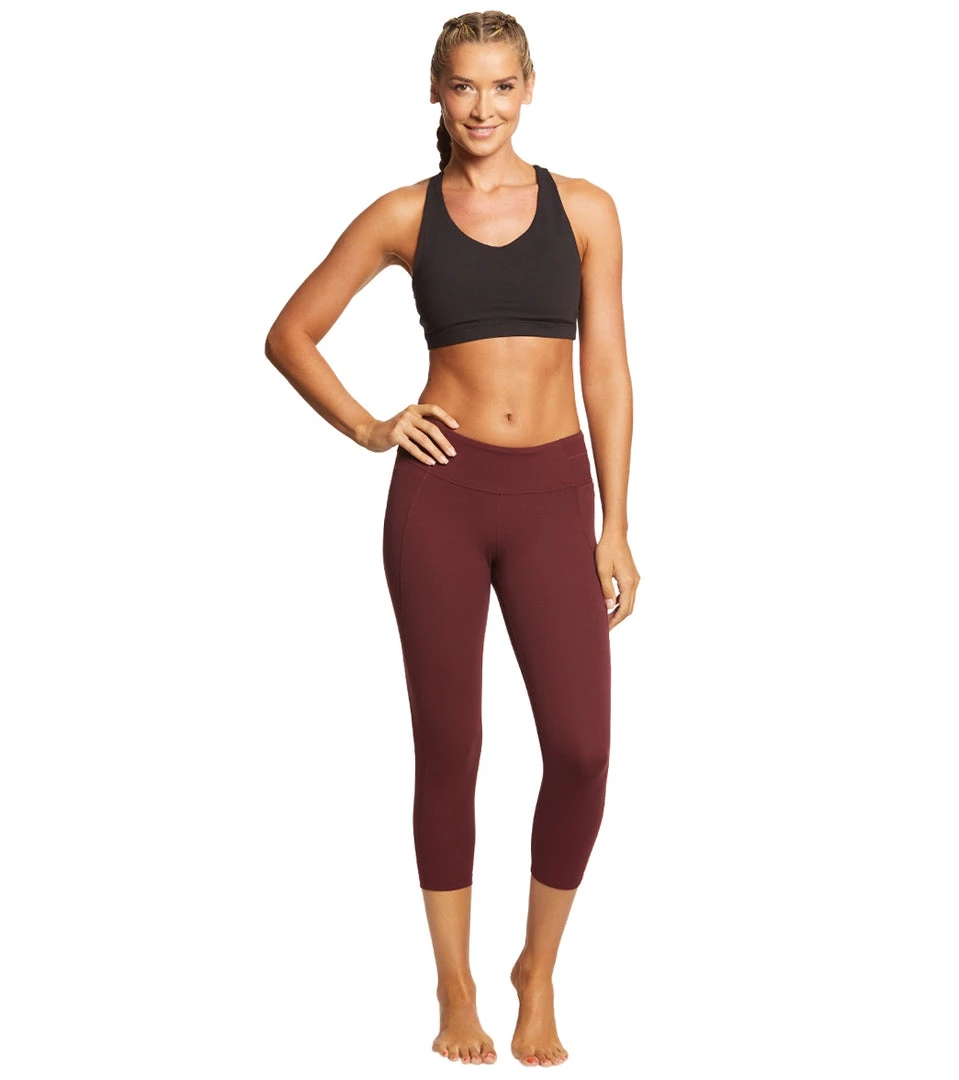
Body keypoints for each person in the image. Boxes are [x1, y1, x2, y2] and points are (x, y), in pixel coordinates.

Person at [264, 9, 639, 1067]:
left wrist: (616, 521)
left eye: (501, 86)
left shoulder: (586, 210)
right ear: (435, 92)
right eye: (464, 86)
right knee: (450, 746)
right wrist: (369, 426)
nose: (483, 107)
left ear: (529, 90)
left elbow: (607, 371)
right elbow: (289, 334)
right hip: (440, 497)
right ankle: (455, 984)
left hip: (554, 495)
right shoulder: (403, 213)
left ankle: (536, 971)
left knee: (581, 748)